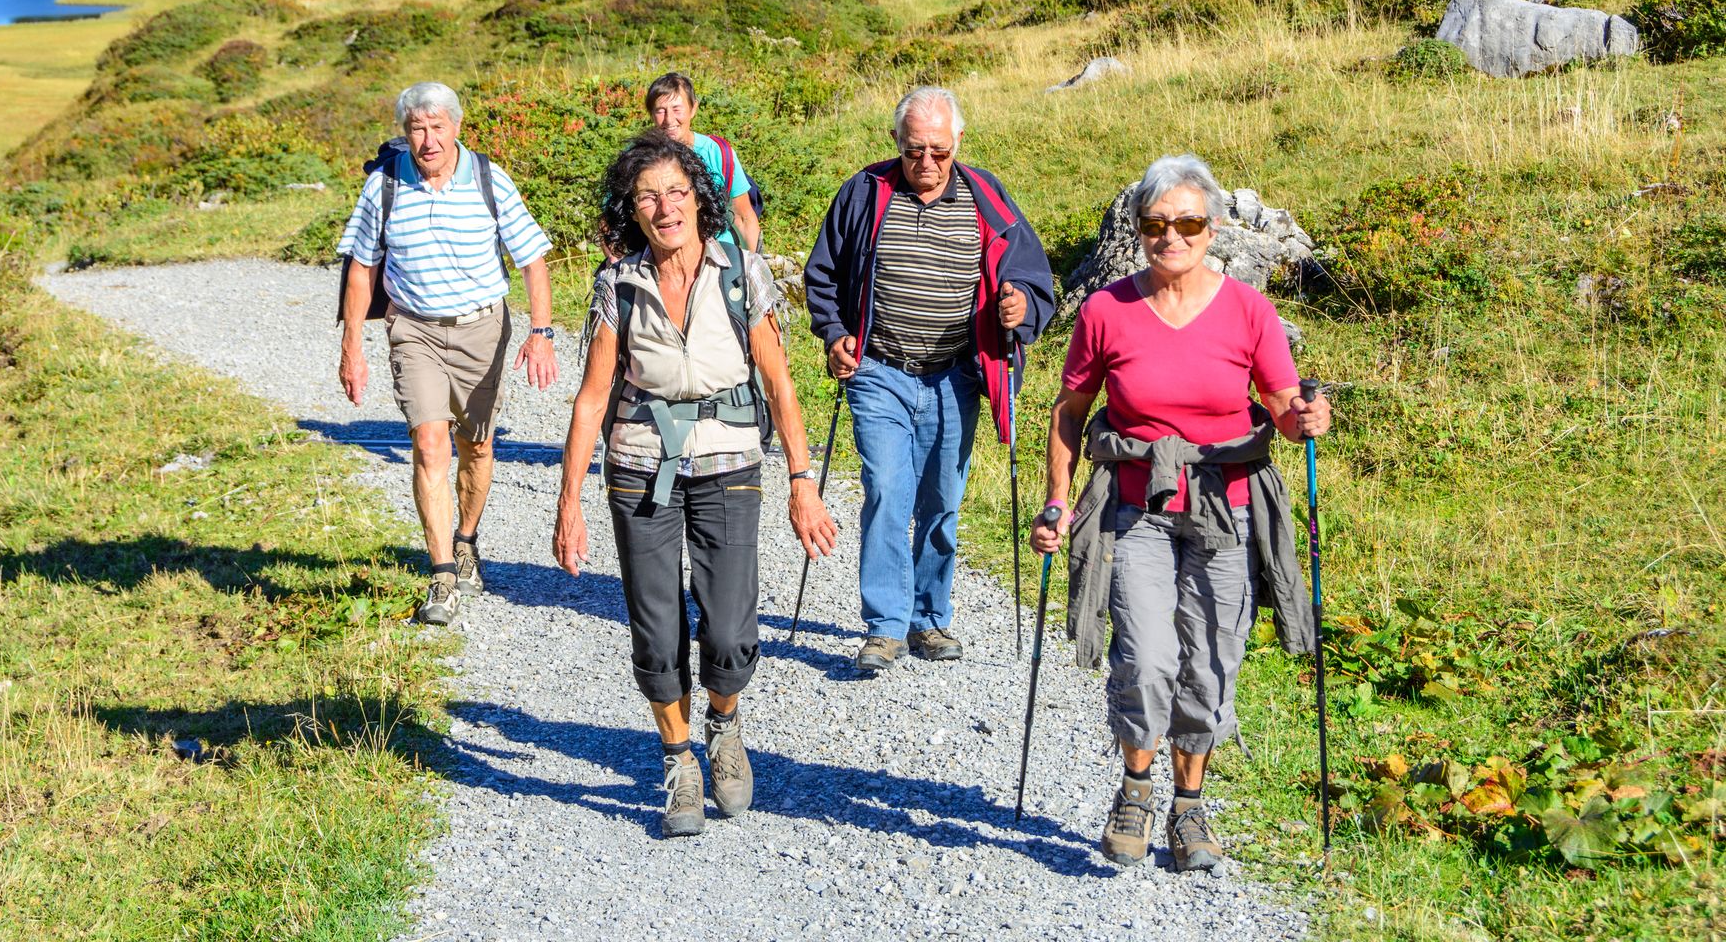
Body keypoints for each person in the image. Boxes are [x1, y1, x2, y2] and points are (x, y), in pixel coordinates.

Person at [1028, 153, 1331, 872]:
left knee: (1213, 662)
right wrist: (1056, 499)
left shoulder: (1248, 310)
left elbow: (1285, 411)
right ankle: (1135, 790)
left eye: (1188, 223)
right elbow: (1070, 413)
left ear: (1213, 228)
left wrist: (1308, 418)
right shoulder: (1107, 311)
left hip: (1225, 510)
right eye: (1157, 224)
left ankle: (1188, 809)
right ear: (1138, 230)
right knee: (1146, 658)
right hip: (1135, 509)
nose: (1173, 236)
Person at [553, 132, 837, 838]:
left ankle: (725, 723)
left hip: (730, 459)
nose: (664, 206)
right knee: (655, 629)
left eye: (676, 192)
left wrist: (803, 481)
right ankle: (678, 759)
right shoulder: (618, 282)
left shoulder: (740, 269)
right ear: (632, 209)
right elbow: (592, 399)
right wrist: (569, 503)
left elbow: (777, 379)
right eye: (648, 195)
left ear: (699, 201)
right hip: (641, 463)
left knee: (732, 626)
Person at [803, 86, 1053, 672]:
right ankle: (886, 626)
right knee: (889, 490)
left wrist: (1021, 309)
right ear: (897, 141)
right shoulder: (865, 192)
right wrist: (836, 332)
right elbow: (824, 272)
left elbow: (1032, 280)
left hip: (957, 376)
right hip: (879, 369)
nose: (928, 163)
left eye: (939, 151)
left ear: (957, 143)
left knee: (943, 499)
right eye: (916, 150)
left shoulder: (987, 199)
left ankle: (929, 618)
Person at [337, 81, 558, 629]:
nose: (428, 139)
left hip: (483, 328)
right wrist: (350, 348)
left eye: (438, 126)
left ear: (457, 127)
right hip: (414, 330)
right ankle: (442, 574)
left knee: (476, 444)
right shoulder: (383, 186)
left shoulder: (488, 179)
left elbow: (531, 260)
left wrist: (542, 332)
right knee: (430, 442)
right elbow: (362, 267)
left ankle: (465, 539)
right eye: (417, 128)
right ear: (405, 132)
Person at [645, 71, 761, 252]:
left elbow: (743, 217)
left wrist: (750, 267)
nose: (669, 119)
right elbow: (609, 221)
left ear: (693, 109)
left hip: (721, 258)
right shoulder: (639, 160)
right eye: (660, 111)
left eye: (677, 109)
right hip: (659, 259)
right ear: (651, 115)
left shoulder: (718, 153)